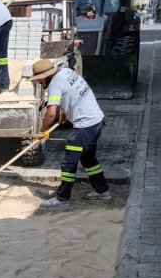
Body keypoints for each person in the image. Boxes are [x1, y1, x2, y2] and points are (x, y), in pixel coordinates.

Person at [30, 59, 111, 208]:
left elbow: (50, 113)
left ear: (46, 76)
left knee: (69, 162)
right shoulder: (67, 72)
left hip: (85, 126)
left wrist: (43, 131)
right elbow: (72, 95)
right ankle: (102, 191)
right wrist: (65, 114)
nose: (39, 83)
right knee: (88, 159)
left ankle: (62, 199)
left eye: (39, 79)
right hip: (97, 121)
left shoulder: (54, 84)